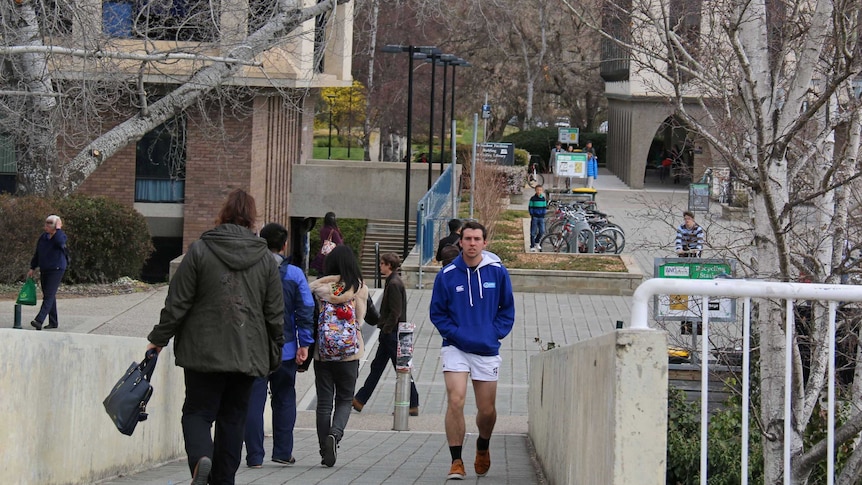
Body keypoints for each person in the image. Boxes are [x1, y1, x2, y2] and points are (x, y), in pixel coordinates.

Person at [146, 189, 285, 485]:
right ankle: (223, 480)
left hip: (203, 352)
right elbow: (275, 314)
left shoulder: (199, 251)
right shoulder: (266, 260)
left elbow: (177, 302)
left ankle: (200, 459)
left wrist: (158, 339)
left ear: (222, 214)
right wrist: (274, 353)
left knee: (197, 412)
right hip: (248, 353)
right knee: (233, 419)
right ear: (252, 219)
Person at [429, 221, 516, 480]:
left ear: (485, 243)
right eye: (467, 239)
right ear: (460, 242)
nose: (472, 243)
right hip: (455, 347)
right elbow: (437, 313)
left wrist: (493, 333)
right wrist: (455, 334)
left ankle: (483, 445)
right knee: (455, 400)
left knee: (486, 410)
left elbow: (507, 310)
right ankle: (456, 461)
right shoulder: (447, 275)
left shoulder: (498, 272)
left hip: (486, 349)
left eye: (477, 239)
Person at [244, 223, 315, 468]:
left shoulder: (249, 269)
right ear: (284, 245)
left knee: (253, 400)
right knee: (284, 398)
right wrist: (304, 343)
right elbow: (306, 309)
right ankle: (283, 452)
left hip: (253, 349)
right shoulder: (294, 274)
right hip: (285, 349)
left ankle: (254, 456)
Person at [309, 244, 368, 468]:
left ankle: (325, 449)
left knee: (324, 402)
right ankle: (335, 434)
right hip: (349, 355)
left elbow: (311, 319)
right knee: (344, 399)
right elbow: (361, 320)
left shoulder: (318, 289)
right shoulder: (359, 288)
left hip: (323, 354)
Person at [353, 252, 420, 415]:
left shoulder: (394, 284)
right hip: (391, 332)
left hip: (393, 333)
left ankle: (412, 402)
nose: (380, 266)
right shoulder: (392, 282)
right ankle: (360, 400)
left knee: (401, 368)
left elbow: (395, 311)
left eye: (382, 263)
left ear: (389, 265)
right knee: (378, 367)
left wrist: (387, 329)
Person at [28, 214, 68, 330]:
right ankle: (53, 322)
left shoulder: (60, 236)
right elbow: (38, 253)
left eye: (50, 223)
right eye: (46, 222)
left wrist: (58, 229)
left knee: (49, 295)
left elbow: (60, 243)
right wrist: (32, 267)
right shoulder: (43, 237)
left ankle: (39, 320)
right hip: (45, 268)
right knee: (48, 295)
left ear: (56, 225)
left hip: (57, 268)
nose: (47, 225)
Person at [528, 185, 548, 251]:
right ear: (535, 190)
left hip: (541, 217)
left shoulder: (543, 199)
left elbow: (544, 207)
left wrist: (543, 214)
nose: (539, 191)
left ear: (542, 191)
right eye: (537, 190)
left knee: (542, 231)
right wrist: (532, 214)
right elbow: (530, 207)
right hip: (535, 217)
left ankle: (537, 241)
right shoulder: (533, 198)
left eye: (540, 190)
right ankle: (532, 245)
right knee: (533, 232)